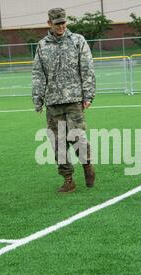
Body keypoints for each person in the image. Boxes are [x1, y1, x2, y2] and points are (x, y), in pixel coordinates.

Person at [32, 7, 96, 193]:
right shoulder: (42, 45)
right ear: (49, 23)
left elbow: (87, 69)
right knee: (57, 143)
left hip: (74, 99)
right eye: (57, 23)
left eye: (63, 23)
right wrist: (38, 98)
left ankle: (87, 166)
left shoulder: (77, 40)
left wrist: (88, 94)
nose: (61, 26)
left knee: (78, 138)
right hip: (53, 102)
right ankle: (68, 179)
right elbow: (38, 74)